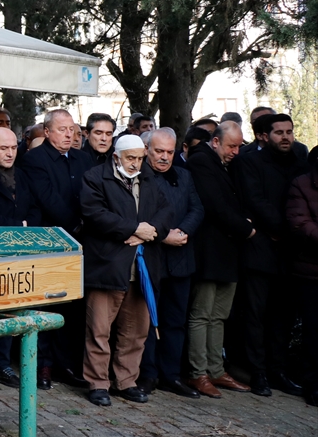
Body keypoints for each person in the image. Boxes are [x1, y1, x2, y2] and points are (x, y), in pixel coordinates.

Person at [78, 134, 171, 407]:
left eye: (140, 158)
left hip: (142, 267)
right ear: (116, 156)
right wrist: (132, 228)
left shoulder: (148, 177)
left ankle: (126, 381)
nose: (136, 163)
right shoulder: (95, 177)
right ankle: (97, 384)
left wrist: (148, 233)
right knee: (99, 330)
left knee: (136, 331)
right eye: (131, 158)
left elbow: (166, 210)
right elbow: (93, 214)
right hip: (108, 266)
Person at [232, 113, 307, 396]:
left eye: (289, 131)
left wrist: (290, 233)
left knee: (282, 317)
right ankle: (257, 373)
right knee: (255, 315)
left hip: (289, 254)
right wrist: (283, 228)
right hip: (259, 251)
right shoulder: (248, 162)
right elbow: (255, 201)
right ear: (264, 136)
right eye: (279, 132)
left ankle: (278, 371)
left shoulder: (299, 164)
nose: (285, 137)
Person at [19, 109, 92, 389]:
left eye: (71, 129)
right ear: (47, 132)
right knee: (48, 305)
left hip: (79, 245)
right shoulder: (35, 159)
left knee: (72, 308)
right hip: (51, 242)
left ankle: (67, 365)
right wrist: (77, 226)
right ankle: (44, 366)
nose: (68, 135)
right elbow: (47, 199)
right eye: (61, 130)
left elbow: (89, 195)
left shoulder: (82, 159)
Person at [185, 121, 254, 398]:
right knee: (202, 314)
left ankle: (215, 369)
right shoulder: (202, 162)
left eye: (239, 146)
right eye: (231, 146)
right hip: (210, 252)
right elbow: (215, 206)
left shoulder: (225, 164)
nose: (236, 152)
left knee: (219, 316)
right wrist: (246, 227)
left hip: (227, 253)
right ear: (215, 142)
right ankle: (197, 373)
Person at [137, 129, 204, 399]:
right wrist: (164, 236)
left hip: (181, 258)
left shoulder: (184, 176)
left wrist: (183, 232)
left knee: (175, 321)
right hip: (151, 258)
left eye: (169, 152)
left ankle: (171, 375)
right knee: (147, 321)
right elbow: (138, 214)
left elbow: (197, 209)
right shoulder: (139, 176)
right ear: (147, 150)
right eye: (159, 151)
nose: (165, 157)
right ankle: (148, 374)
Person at [0, 127, 40, 388]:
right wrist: (18, 226)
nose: (10, 153)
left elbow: (36, 207)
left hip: (17, 255)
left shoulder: (22, 174)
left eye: (14, 147)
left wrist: (25, 226)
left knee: (9, 308)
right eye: (4, 148)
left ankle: (2, 364)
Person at [284, 149, 318, 407]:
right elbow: (299, 223)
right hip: (310, 270)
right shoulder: (303, 184)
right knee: (314, 331)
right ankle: (313, 384)